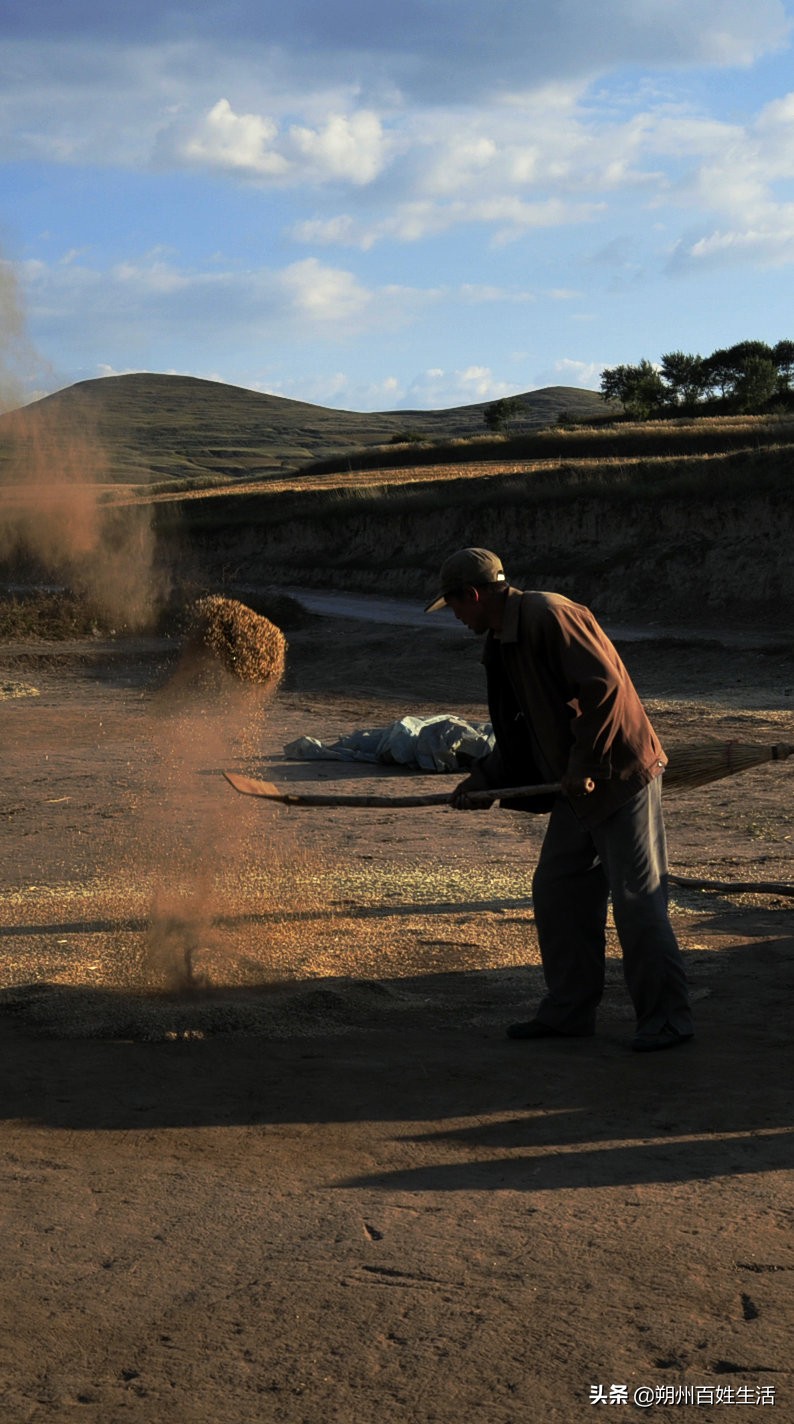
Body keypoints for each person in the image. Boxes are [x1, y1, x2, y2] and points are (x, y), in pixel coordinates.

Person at [425, 547, 693, 1053]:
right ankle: (570, 1011)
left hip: (619, 776)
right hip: (579, 785)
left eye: (455, 605)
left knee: (636, 901)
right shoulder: (503, 643)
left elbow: (605, 690)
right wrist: (484, 780)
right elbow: (525, 729)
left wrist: (587, 766)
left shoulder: (551, 614)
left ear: (475, 595)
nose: (456, 616)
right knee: (558, 890)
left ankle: (668, 1019)